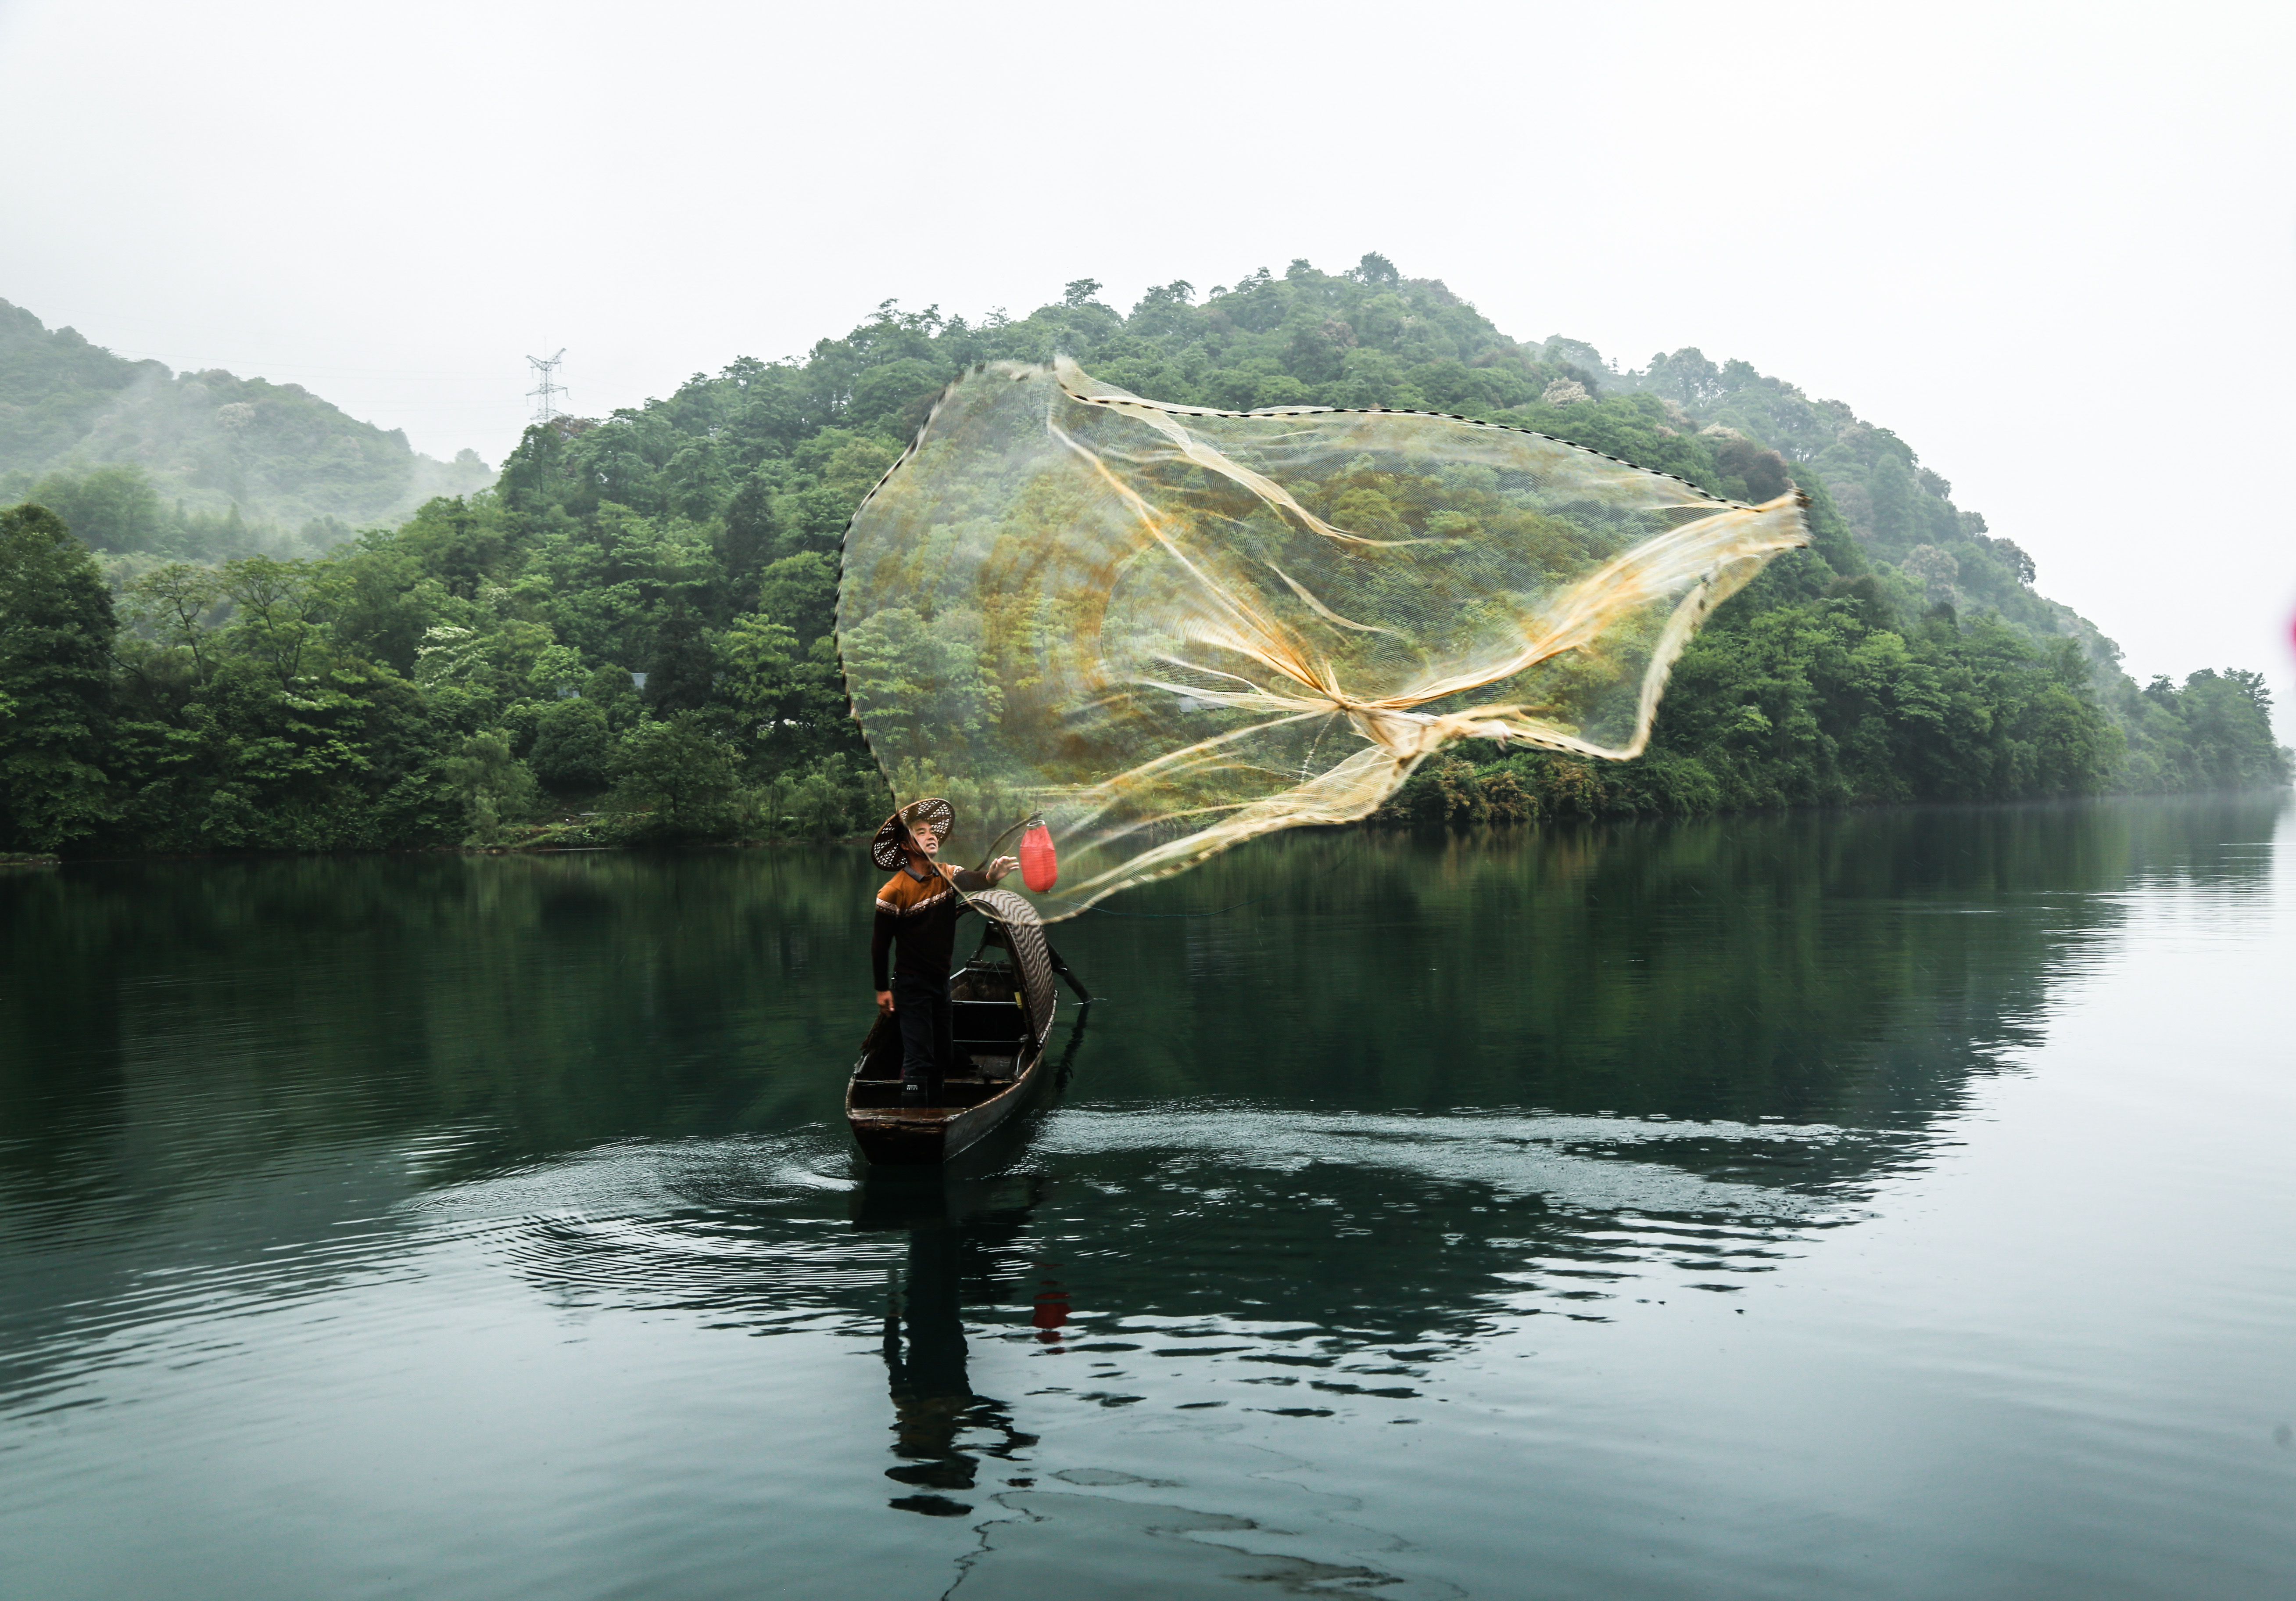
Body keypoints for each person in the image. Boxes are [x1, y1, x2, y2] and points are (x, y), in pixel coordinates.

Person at [869, 798, 1018, 1104]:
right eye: (921, 832)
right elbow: (880, 945)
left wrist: (992, 877)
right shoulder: (893, 892)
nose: (931, 835)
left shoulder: (947, 874)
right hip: (911, 986)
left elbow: (976, 880)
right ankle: (912, 1116)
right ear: (906, 846)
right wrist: (882, 990)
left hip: (940, 983)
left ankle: (933, 1112)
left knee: (942, 1055)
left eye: (931, 830)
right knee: (919, 1058)